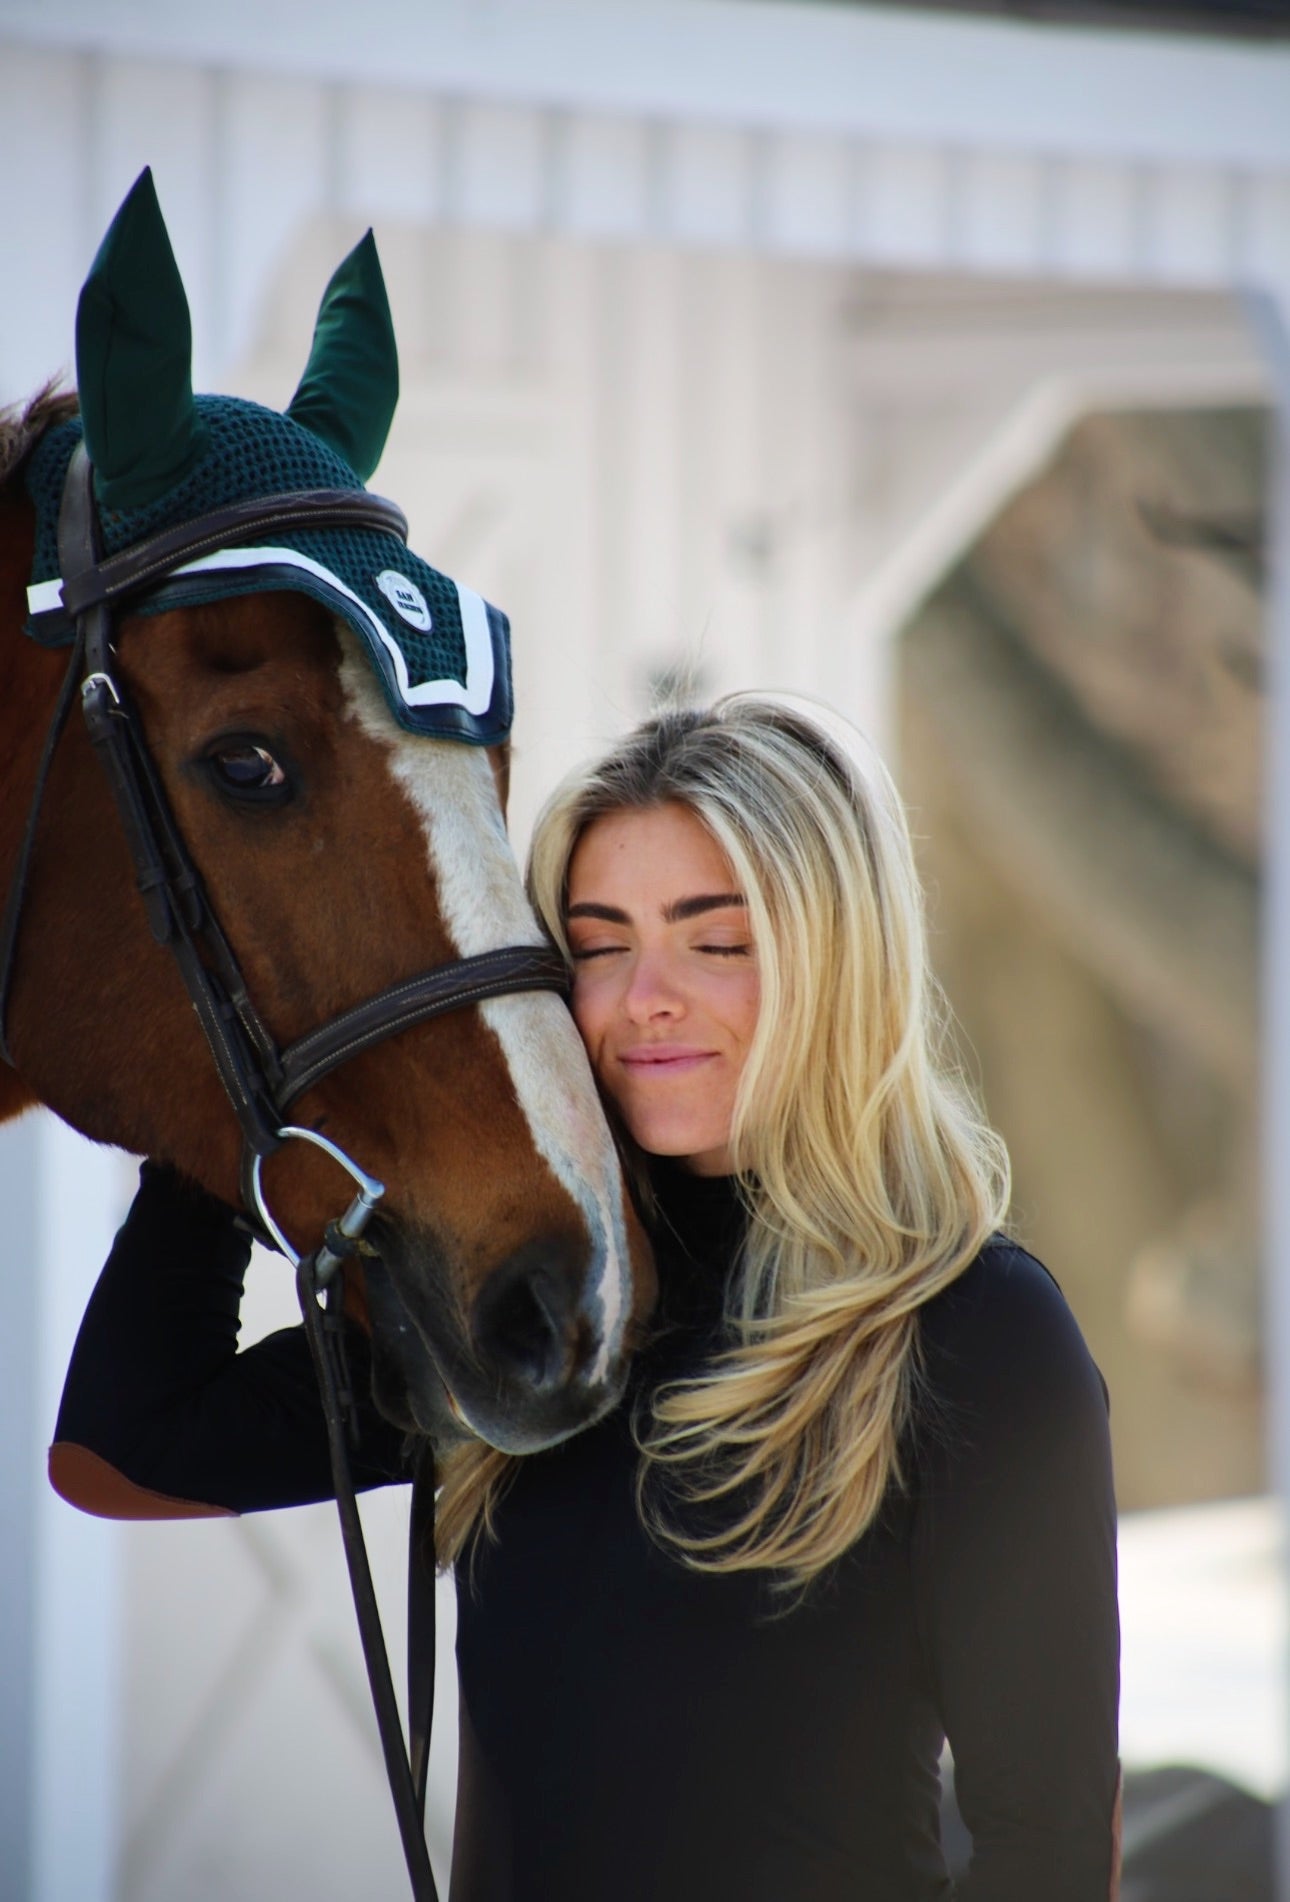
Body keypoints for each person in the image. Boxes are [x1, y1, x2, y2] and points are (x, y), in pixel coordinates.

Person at [52, 695, 1120, 1901]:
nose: (645, 995)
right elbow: (125, 1448)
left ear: (839, 961)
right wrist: (243, 1078)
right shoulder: (521, 1303)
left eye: (718, 943)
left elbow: (1048, 1846)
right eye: (601, 945)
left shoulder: (974, 1333)